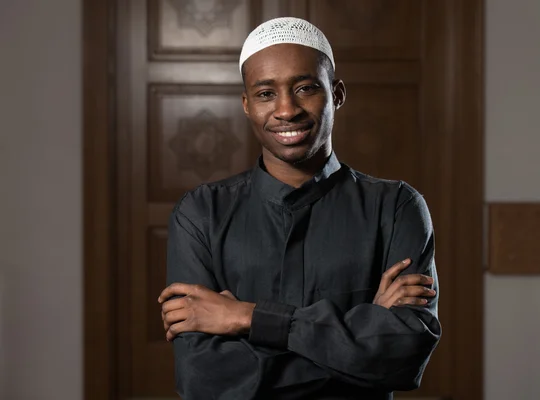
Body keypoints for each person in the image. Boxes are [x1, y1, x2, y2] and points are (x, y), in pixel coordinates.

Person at [158, 17, 441, 400]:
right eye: (265, 94)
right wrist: (356, 344)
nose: (286, 110)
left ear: (337, 94)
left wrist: (246, 318)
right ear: (246, 105)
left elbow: (403, 357)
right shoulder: (200, 213)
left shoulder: (395, 208)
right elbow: (202, 378)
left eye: (306, 88)